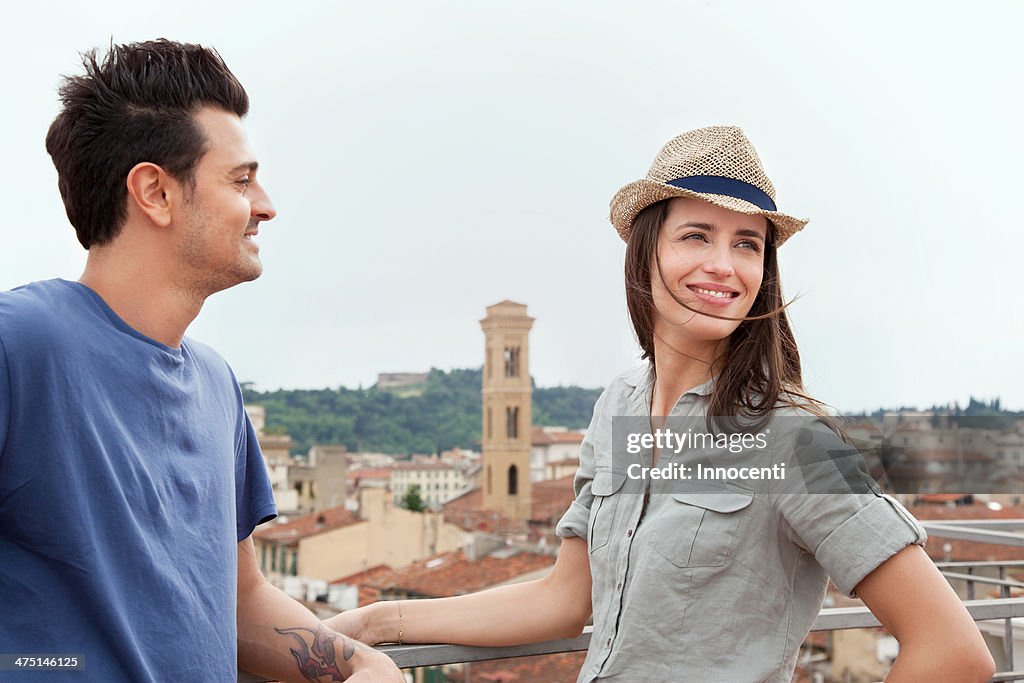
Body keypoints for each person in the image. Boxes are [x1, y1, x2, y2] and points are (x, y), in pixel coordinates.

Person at [327, 126, 995, 681]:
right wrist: (385, 620)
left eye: (747, 245)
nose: (724, 266)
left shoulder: (790, 438)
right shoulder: (621, 403)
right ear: (646, 251)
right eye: (697, 235)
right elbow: (563, 599)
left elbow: (954, 651)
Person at [0, 40, 402, 682]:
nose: (266, 204)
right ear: (155, 193)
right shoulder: (19, 344)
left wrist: (360, 665)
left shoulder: (216, 383)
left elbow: (241, 605)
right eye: (241, 180)